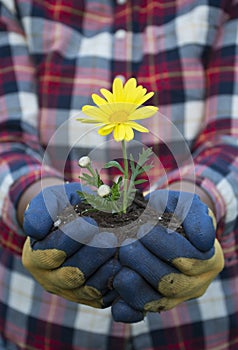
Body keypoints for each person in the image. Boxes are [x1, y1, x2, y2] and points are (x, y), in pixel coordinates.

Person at [0, 0, 237, 349]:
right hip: (44, 327)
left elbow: (230, 137)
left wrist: (199, 203)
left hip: (201, 329)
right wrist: (37, 195)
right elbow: (7, 136)